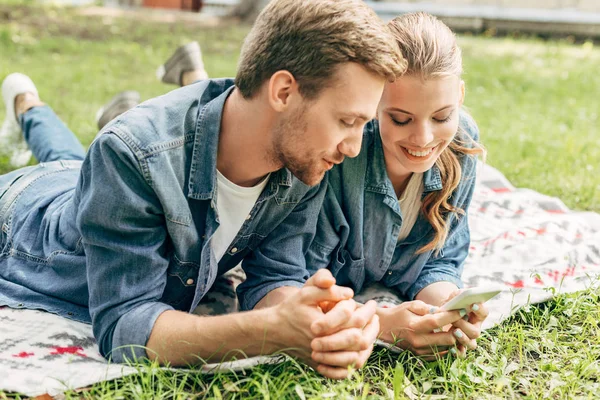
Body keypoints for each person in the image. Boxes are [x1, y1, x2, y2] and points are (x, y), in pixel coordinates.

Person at [0, 0, 406, 379]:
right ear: (283, 92)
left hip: (87, 182)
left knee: (70, 156)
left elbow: (274, 278)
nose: (353, 148)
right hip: (24, 214)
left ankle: (29, 105)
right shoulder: (130, 154)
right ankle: (27, 105)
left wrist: (318, 324)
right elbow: (125, 325)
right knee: (64, 162)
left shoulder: (305, 158)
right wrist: (270, 331)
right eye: (347, 122)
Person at [254, 12, 490, 361]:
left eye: (442, 116)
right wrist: (384, 323)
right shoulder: (336, 150)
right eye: (400, 118)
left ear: (459, 95)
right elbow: (277, 282)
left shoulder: (461, 142)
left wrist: (444, 309)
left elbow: (439, 260)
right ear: (374, 102)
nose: (423, 138)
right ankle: (191, 76)